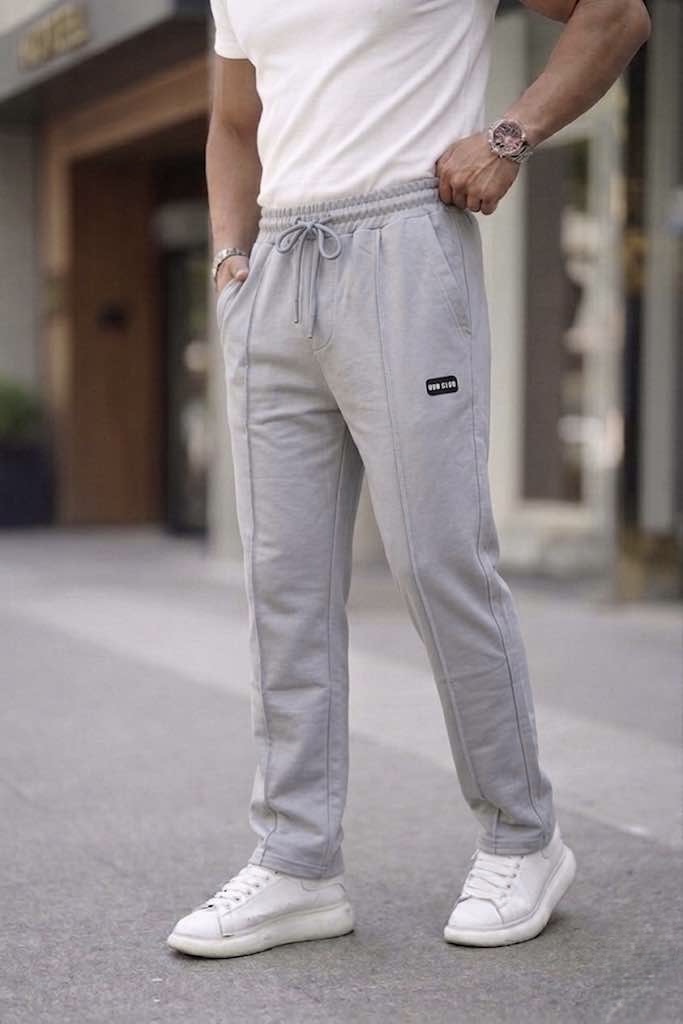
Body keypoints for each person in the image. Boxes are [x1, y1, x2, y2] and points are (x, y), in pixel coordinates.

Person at [167, 0, 650, 958]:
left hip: (404, 249)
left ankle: (522, 837)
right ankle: (296, 862)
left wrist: (509, 136)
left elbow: (615, 15)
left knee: (437, 562)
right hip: (275, 273)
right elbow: (233, 121)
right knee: (283, 586)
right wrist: (230, 257)